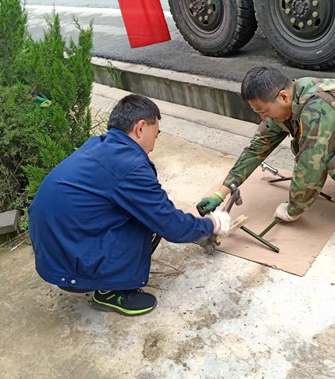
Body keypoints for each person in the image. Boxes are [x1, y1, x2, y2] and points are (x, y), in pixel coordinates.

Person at [29, 94, 231, 316]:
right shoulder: (130, 166)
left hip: (56, 252)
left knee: (141, 211)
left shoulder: (99, 145)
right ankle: (110, 291)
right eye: (156, 134)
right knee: (145, 222)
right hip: (70, 265)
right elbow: (171, 225)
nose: (155, 144)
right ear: (140, 127)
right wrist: (212, 224)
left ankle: (101, 275)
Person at [197, 67, 335, 232]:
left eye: (263, 111)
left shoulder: (317, 106)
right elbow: (256, 149)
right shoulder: (288, 102)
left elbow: (311, 164)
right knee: (327, 156)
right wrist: (221, 192)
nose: (262, 118)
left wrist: (294, 209)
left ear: (283, 96)